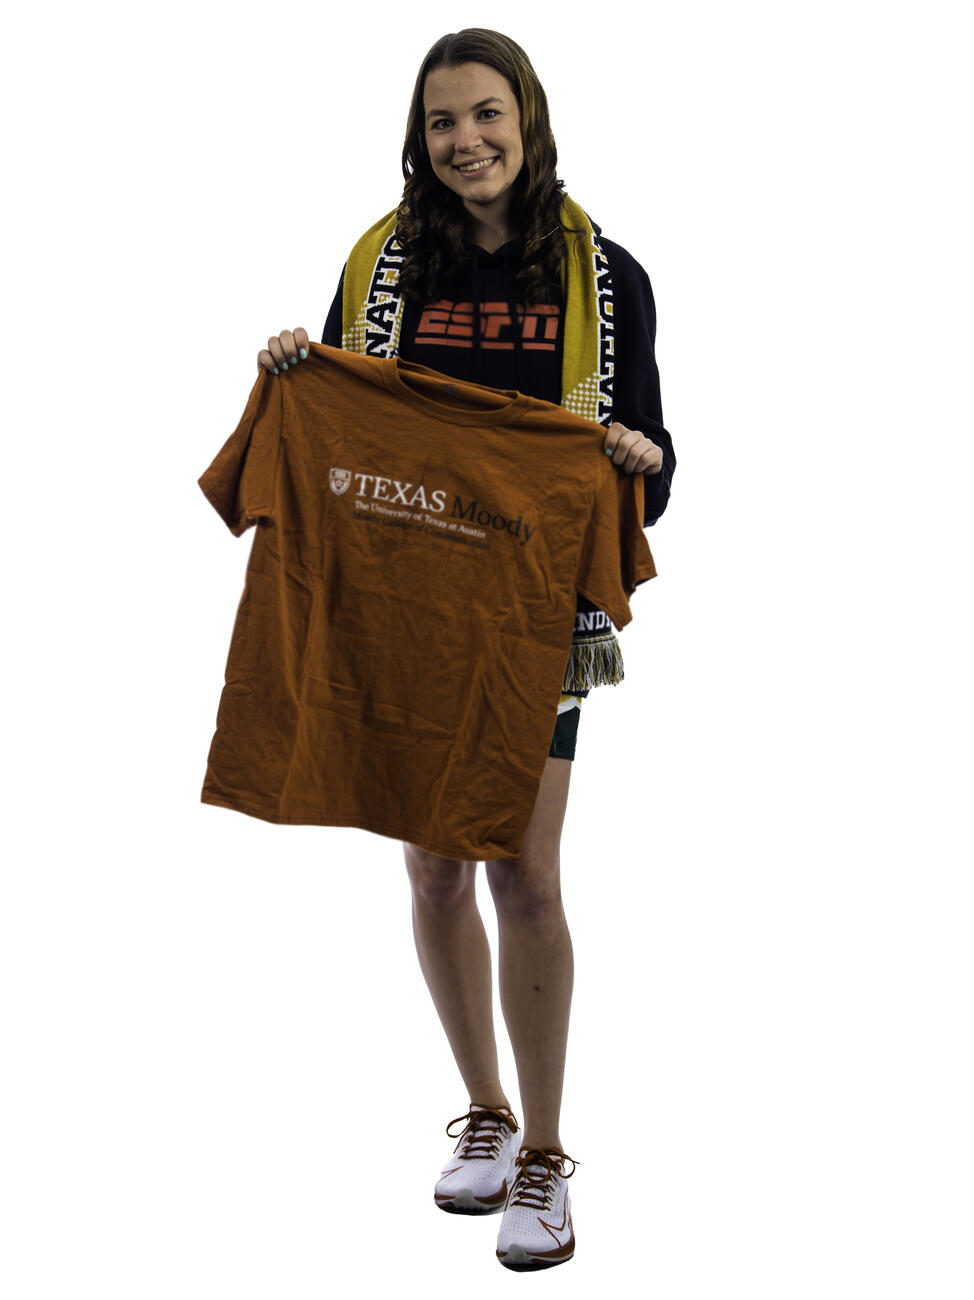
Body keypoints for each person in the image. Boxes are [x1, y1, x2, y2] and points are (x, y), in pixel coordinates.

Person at [256, 27, 675, 1271]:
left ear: (527, 119)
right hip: (405, 605)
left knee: (522, 873)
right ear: (418, 136)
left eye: (485, 115)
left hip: (529, 614)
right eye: (442, 123)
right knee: (433, 873)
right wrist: (296, 369)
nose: (465, 141)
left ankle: (545, 1151)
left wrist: (639, 461)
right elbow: (346, 420)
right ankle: (483, 1115)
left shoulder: (608, 277)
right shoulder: (380, 263)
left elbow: (657, 445)